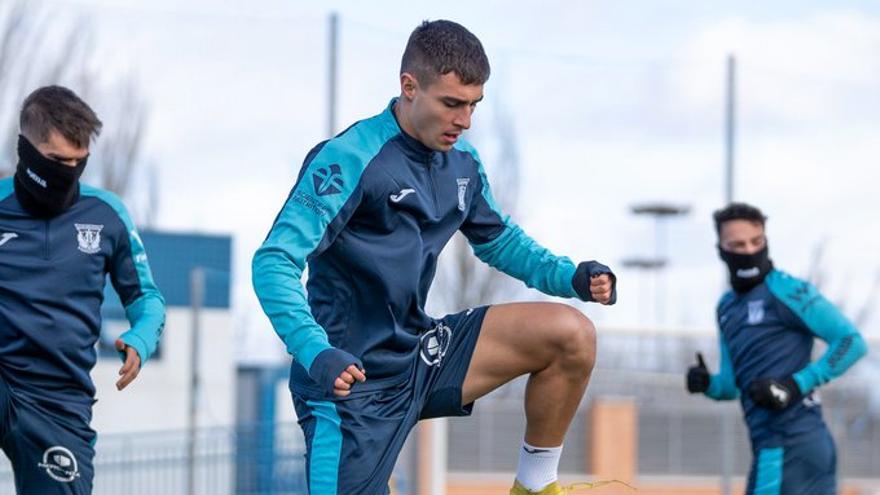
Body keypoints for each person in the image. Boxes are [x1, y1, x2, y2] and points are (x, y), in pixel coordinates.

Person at [253, 19, 616, 495]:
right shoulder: (348, 158)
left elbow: (498, 240)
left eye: (473, 106)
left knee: (571, 335)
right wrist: (313, 350)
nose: (464, 121)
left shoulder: (462, 164)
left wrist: (569, 276)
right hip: (348, 382)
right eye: (451, 104)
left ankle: (534, 485)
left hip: (421, 353)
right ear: (409, 87)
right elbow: (274, 261)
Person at [0, 86, 165, 494]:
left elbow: (147, 299)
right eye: (57, 161)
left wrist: (141, 339)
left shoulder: (107, 214)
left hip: (58, 399)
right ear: (28, 150)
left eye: (79, 162)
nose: (68, 172)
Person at [687, 202, 867, 495]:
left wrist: (796, 385)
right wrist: (708, 383)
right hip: (773, 446)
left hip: (793, 443)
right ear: (721, 249)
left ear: (765, 241)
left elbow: (851, 342)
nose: (748, 250)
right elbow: (732, 385)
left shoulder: (788, 291)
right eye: (737, 244)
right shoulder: (727, 308)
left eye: (755, 242)